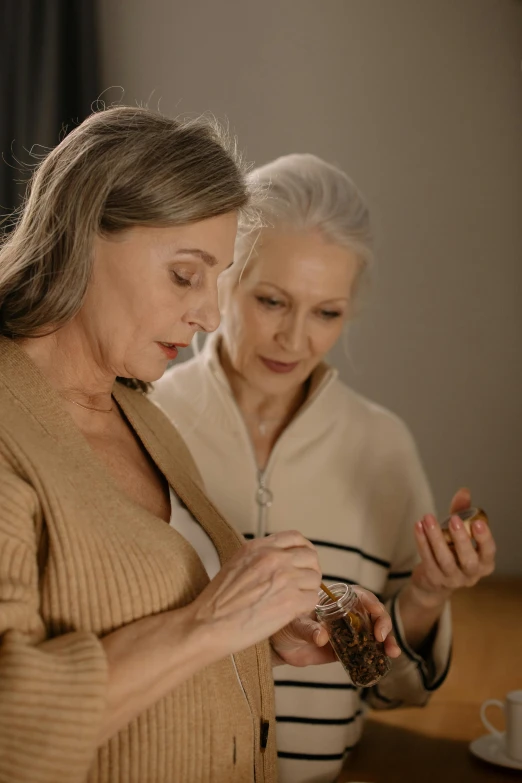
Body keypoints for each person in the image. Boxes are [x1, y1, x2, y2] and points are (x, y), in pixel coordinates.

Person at [0, 113, 399, 783]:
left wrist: (262, 635)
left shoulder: (139, 412)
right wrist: (212, 622)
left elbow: (152, 634)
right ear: (80, 237)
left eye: (218, 281)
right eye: (185, 275)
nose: (210, 316)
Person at [152, 153, 497, 783]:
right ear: (224, 278)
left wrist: (424, 595)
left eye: (326, 312)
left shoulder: (383, 446)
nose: (295, 339)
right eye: (273, 301)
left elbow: (396, 692)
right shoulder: (143, 421)